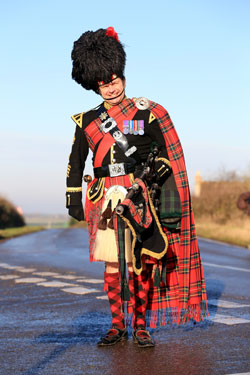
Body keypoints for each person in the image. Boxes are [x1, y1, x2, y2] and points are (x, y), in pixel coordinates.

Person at [66, 27, 208, 348]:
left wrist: (158, 169)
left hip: (138, 194)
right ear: (94, 83)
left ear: (123, 77)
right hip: (104, 198)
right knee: (114, 265)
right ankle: (117, 325)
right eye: (103, 82)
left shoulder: (145, 112)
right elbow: (76, 160)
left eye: (114, 79)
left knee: (140, 261)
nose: (110, 86)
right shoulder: (87, 120)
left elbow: (166, 153)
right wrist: (72, 195)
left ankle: (141, 325)